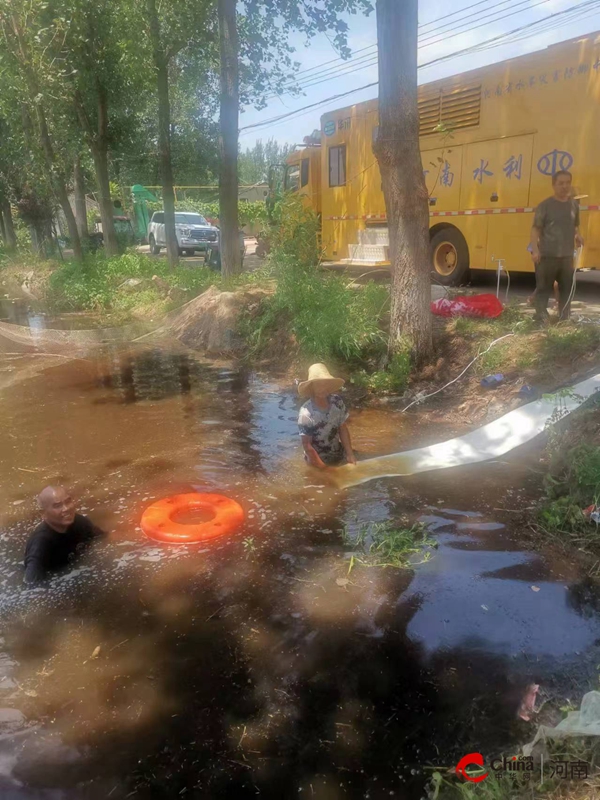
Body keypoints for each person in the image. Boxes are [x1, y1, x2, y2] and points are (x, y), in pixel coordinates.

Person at [530, 170, 584, 322]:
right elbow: (536, 229)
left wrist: (578, 236)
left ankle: (564, 319)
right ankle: (540, 319)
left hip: (567, 257)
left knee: (566, 290)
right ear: (554, 185)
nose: (565, 186)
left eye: (568, 183)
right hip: (547, 256)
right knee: (543, 289)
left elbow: (575, 226)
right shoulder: (545, 206)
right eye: (561, 183)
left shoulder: (574, 205)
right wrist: (535, 250)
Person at [23, 486, 106, 584]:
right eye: (57, 506)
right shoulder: (41, 543)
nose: (66, 509)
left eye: (68, 501)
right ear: (43, 513)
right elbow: (31, 585)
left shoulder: (80, 522)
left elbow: (102, 540)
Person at [297, 363, 356, 469]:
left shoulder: (337, 402)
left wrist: (349, 454)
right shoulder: (306, 414)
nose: (322, 388)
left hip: (336, 452)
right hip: (317, 460)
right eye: (318, 385)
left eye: (325, 384)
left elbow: (342, 428)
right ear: (312, 388)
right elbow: (307, 446)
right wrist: (324, 468)